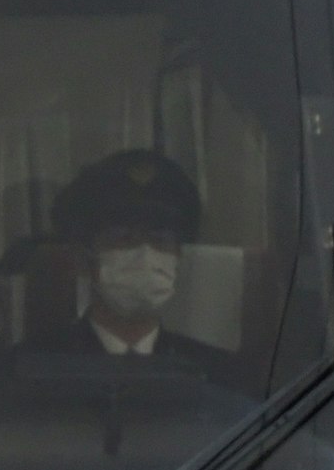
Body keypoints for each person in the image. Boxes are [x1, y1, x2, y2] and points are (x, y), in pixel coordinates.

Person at [46, 147, 235, 375]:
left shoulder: (217, 373)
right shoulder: (35, 368)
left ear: (178, 258)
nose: (145, 253)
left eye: (160, 239)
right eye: (123, 238)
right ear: (82, 258)